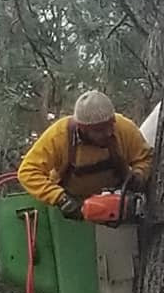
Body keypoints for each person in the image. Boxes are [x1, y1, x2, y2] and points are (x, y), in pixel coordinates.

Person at [17, 90, 153, 220]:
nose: (108, 133)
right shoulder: (60, 136)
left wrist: (139, 175)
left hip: (115, 206)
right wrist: (59, 198)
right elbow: (28, 171)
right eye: (99, 130)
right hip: (72, 210)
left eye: (110, 125)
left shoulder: (123, 128)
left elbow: (145, 158)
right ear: (82, 128)